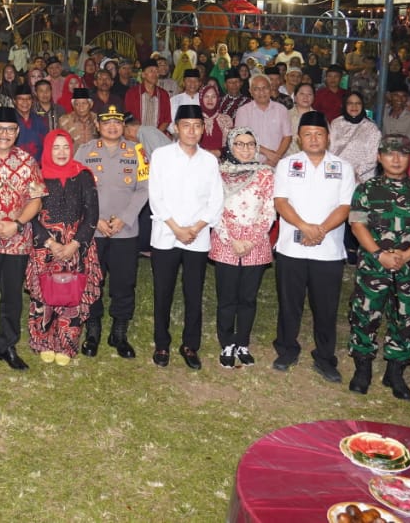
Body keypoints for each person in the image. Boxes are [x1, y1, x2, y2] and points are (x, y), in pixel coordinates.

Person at [346, 134, 410, 399]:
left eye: (402, 153)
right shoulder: (366, 189)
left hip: (409, 268)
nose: (396, 159)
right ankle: (362, 368)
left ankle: (395, 372)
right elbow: (357, 225)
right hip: (374, 267)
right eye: (389, 153)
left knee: (406, 318)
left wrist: (408, 255)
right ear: (379, 157)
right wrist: (379, 254)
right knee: (365, 315)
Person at [271, 111, 356, 382]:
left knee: (326, 307)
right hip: (291, 248)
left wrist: (320, 231)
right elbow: (281, 202)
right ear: (299, 138)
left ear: (328, 137)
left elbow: (345, 206)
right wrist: (306, 227)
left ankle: (325, 357)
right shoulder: (286, 165)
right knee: (289, 304)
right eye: (307, 134)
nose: (313, 138)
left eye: (319, 134)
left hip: (328, 249)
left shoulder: (343, 167)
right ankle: (286, 349)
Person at [148, 105, 223, 370]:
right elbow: (155, 196)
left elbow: (216, 200)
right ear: (176, 127)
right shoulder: (161, 155)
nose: (192, 131)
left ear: (203, 129)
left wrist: (197, 226)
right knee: (163, 292)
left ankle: (190, 344)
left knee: (194, 293)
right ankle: (161, 343)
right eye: (186, 125)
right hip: (166, 234)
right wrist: (177, 228)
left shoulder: (210, 161)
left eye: (197, 126)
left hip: (198, 236)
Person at [0, 106, 44, 371]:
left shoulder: (28, 161)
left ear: (17, 132)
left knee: (12, 295)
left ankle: (8, 346)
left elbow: (36, 200)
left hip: (18, 240)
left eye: (9, 129)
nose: (4, 134)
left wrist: (16, 224)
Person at [77, 106, 149, 358]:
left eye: (117, 123)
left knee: (124, 282)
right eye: (106, 122)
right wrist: (94, 220)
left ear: (123, 126)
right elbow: (76, 188)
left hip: (125, 230)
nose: (112, 127)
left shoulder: (136, 152)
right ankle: (93, 329)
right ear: (98, 125)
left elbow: (144, 188)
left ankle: (119, 331)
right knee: (92, 280)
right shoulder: (85, 152)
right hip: (93, 230)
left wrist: (125, 218)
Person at [24, 129, 101, 365]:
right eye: (56, 147)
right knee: (45, 294)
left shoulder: (83, 175)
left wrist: (76, 243)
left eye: (65, 147)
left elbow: (92, 213)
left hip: (77, 244)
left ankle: (67, 343)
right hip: (45, 244)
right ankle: (44, 340)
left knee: (72, 293)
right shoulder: (37, 176)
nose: (61, 152)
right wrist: (50, 243)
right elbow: (31, 215)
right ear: (48, 149)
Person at [210, 127, 275, 368]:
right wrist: (231, 239)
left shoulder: (266, 173)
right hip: (226, 242)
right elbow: (214, 209)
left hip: (255, 244)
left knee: (248, 299)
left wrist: (251, 240)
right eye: (240, 144)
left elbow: (269, 210)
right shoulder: (219, 174)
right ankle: (227, 343)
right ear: (230, 146)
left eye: (250, 144)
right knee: (227, 298)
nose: (246, 149)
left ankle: (242, 342)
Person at [235, 74, 290, 168]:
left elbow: (287, 136)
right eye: (256, 89)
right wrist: (268, 153)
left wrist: (276, 157)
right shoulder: (243, 111)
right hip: (252, 164)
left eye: (265, 88)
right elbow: (242, 138)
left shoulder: (281, 109)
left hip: (279, 163)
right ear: (250, 92)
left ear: (271, 88)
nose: (261, 92)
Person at [329, 91, 382, 183]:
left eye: (358, 103)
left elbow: (373, 157)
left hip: (361, 178)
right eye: (350, 103)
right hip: (336, 173)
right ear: (345, 105)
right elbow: (330, 149)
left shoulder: (371, 128)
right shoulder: (336, 123)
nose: (354, 106)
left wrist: (354, 172)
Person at [381, 75, 410, 146]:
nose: (400, 99)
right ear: (389, 96)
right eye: (396, 95)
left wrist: (387, 139)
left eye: (403, 96)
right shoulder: (383, 113)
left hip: (404, 155)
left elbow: (408, 142)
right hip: (385, 153)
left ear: (407, 98)